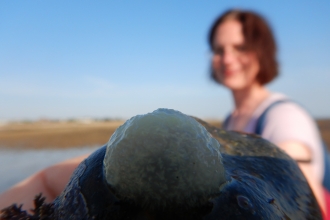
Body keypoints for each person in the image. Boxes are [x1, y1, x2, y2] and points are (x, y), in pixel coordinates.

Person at [208, 9, 328, 216]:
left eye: (240, 48)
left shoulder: (284, 116)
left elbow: (306, 207)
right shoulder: (230, 119)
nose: (227, 59)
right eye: (219, 50)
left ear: (262, 51)